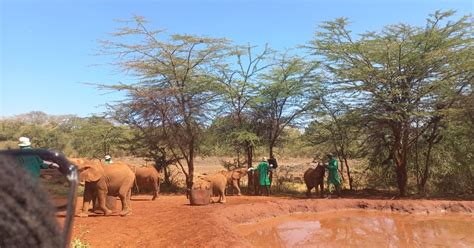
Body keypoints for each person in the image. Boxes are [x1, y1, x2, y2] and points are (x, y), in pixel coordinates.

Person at [0, 155, 62, 247]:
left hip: (21, 182)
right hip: (33, 183)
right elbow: (44, 165)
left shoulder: (17, 157)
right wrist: (53, 165)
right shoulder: (35, 157)